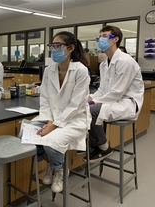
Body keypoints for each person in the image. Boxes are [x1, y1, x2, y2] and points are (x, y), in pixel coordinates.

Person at [28, 31, 91, 193]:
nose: (53, 49)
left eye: (57, 46)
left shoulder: (81, 71)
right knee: (27, 133)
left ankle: (60, 170)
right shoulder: (49, 70)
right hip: (52, 118)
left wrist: (54, 125)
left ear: (70, 48)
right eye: (52, 46)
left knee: (52, 141)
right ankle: (54, 165)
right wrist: (48, 121)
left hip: (74, 119)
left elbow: (75, 105)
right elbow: (45, 98)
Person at [84, 26, 144, 163]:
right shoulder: (104, 64)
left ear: (115, 39)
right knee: (84, 107)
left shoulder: (125, 61)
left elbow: (117, 93)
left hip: (127, 103)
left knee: (89, 111)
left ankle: (104, 148)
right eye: (99, 37)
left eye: (104, 36)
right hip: (112, 101)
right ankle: (89, 144)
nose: (100, 39)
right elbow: (103, 89)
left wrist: (92, 102)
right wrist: (91, 97)